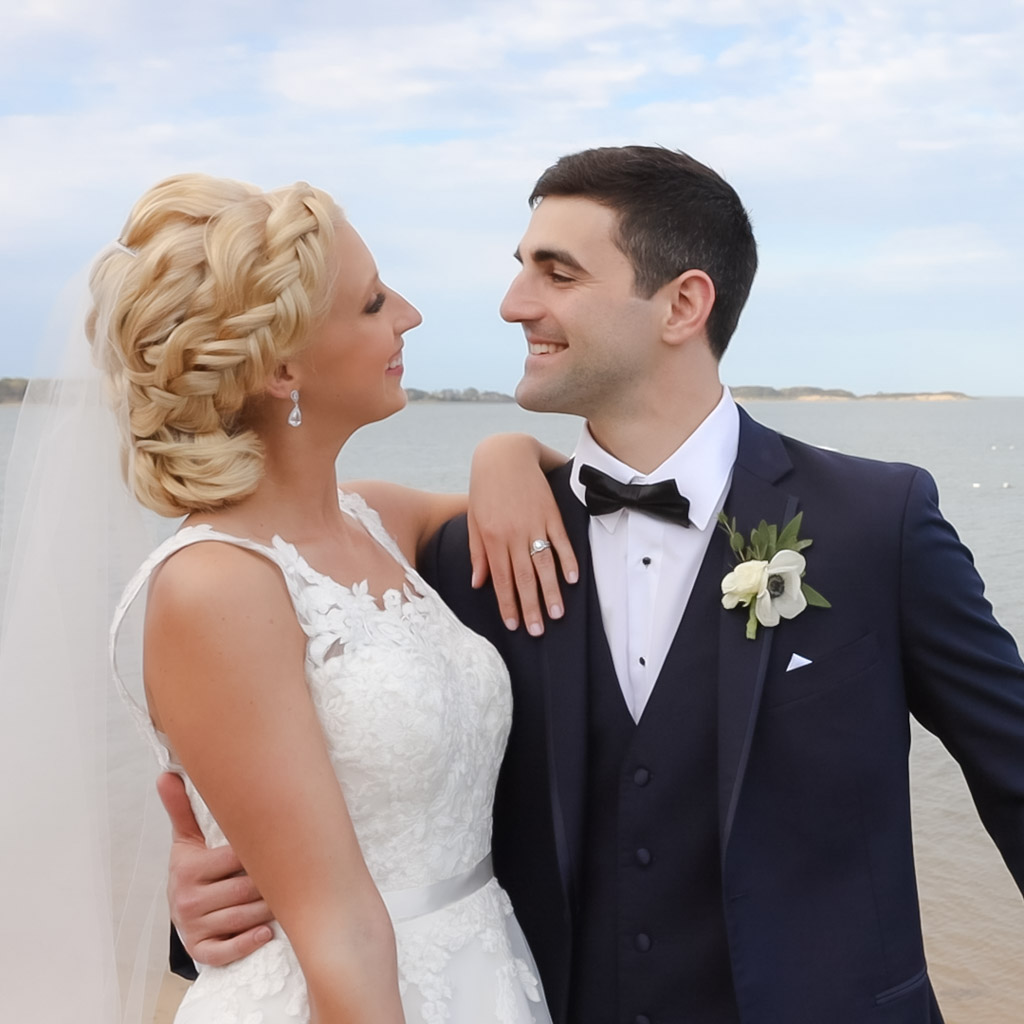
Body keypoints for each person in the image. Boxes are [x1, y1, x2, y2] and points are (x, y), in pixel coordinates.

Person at [166, 147, 1024, 1023]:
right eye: (520, 269)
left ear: (684, 304)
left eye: (558, 273)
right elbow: (369, 791)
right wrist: (206, 899)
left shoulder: (878, 522)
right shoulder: (463, 557)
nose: (513, 305)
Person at [3, 172, 571, 1023]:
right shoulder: (215, 584)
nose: (410, 315)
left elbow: (560, 498)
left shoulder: (378, 516)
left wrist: (505, 449)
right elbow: (339, 927)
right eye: (375, 301)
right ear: (280, 367)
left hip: (480, 971)